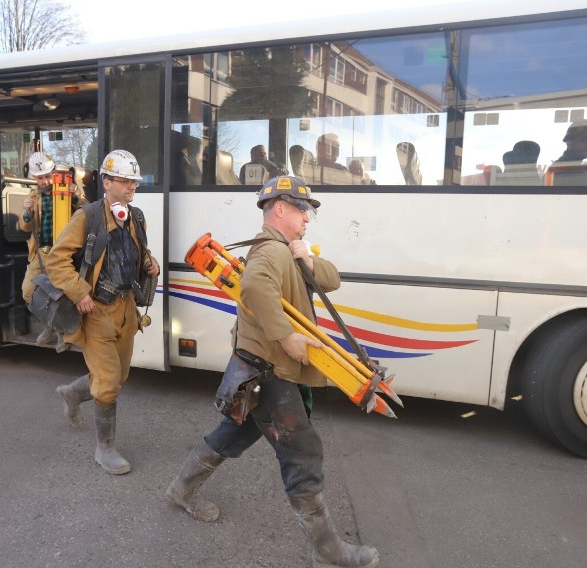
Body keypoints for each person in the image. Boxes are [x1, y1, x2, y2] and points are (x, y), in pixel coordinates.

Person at [166, 175, 379, 568]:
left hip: (264, 369)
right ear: (280, 209)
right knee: (302, 451)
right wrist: (286, 336)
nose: (307, 219)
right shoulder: (269, 252)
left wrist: (309, 259)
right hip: (268, 370)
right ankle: (328, 552)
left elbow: (331, 280)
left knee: (235, 432)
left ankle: (181, 489)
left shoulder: (289, 250)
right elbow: (254, 288)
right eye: (302, 210)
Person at [46, 149, 160, 475]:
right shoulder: (88, 217)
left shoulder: (136, 217)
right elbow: (56, 260)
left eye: (133, 181)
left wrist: (150, 264)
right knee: (109, 382)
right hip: (96, 310)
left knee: (119, 376)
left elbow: (139, 256)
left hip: (126, 308)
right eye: (125, 181)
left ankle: (70, 393)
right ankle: (105, 449)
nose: (131, 186)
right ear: (107, 183)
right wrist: (80, 293)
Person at [19, 151, 87, 350]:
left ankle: (63, 334)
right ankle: (51, 325)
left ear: (54, 172)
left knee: (63, 293)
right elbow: (24, 227)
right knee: (28, 292)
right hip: (41, 253)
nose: (45, 181)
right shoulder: (33, 197)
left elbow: (88, 211)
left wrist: (75, 196)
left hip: (64, 254)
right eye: (40, 178)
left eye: (48, 176)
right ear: (34, 178)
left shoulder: (69, 189)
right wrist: (26, 212)